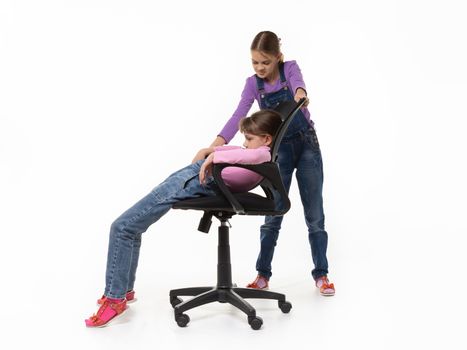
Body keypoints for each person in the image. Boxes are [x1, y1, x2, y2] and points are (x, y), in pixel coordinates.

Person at [85, 109, 282, 327]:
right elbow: (239, 151)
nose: (245, 144)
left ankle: (115, 299)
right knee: (131, 227)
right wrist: (210, 150)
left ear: (266, 139)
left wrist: (214, 157)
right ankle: (123, 292)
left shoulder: (262, 154)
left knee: (123, 227)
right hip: (196, 177)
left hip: (197, 181)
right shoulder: (254, 153)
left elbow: (250, 154)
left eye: (249, 138)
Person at [193, 31, 335, 296]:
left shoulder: (289, 69)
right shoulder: (252, 85)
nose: (260, 67)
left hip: (307, 147)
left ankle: (322, 275)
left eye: (265, 62)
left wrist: (301, 94)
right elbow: (239, 114)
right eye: (255, 62)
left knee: (314, 215)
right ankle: (262, 275)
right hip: (278, 151)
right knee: (273, 212)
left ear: (277, 58)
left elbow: (298, 84)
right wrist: (215, 146)